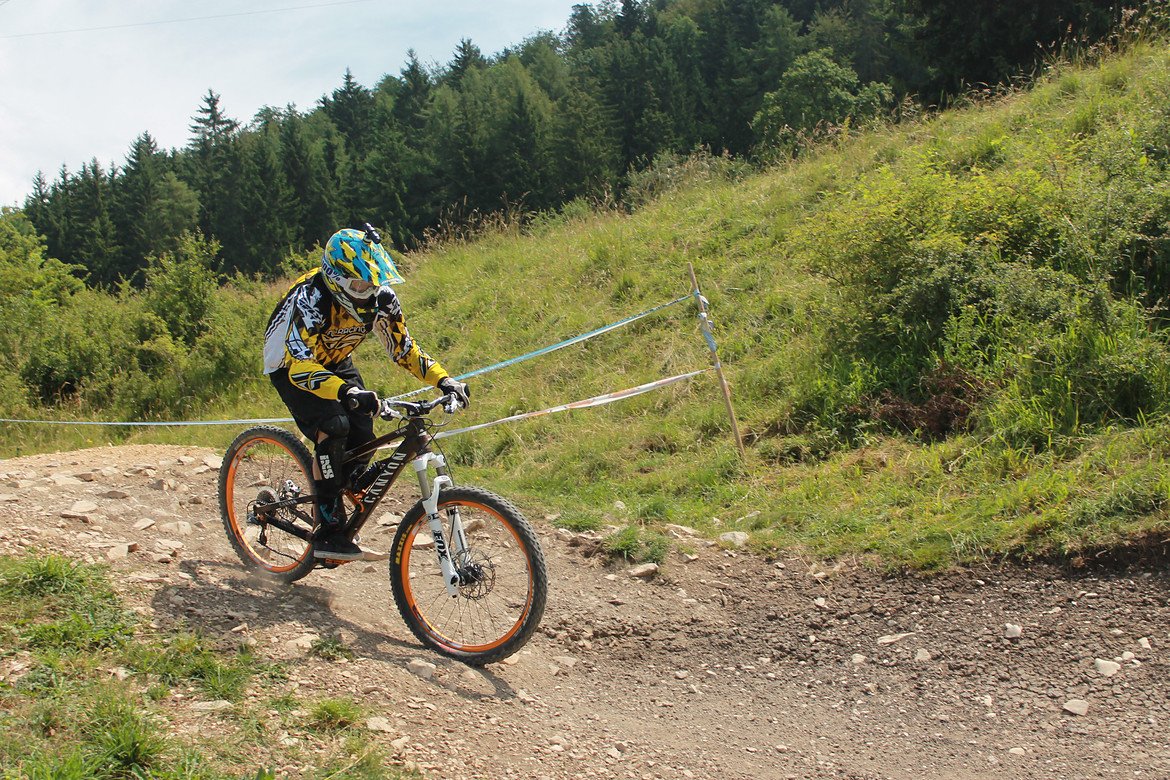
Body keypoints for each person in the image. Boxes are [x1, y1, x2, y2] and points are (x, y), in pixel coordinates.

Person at [263, 224, 470, 561]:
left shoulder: (381, 300)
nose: (369, 291)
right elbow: (300, 365)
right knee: (334, 426)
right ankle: (328, 529)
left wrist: (444, 380)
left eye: (373, 282)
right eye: (360, 284)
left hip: (334, 358)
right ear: (337, 279)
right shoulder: (311, 299)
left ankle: (336, 482)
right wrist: (345, 391)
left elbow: (403, 349)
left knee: (363, 430)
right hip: (291, 363)